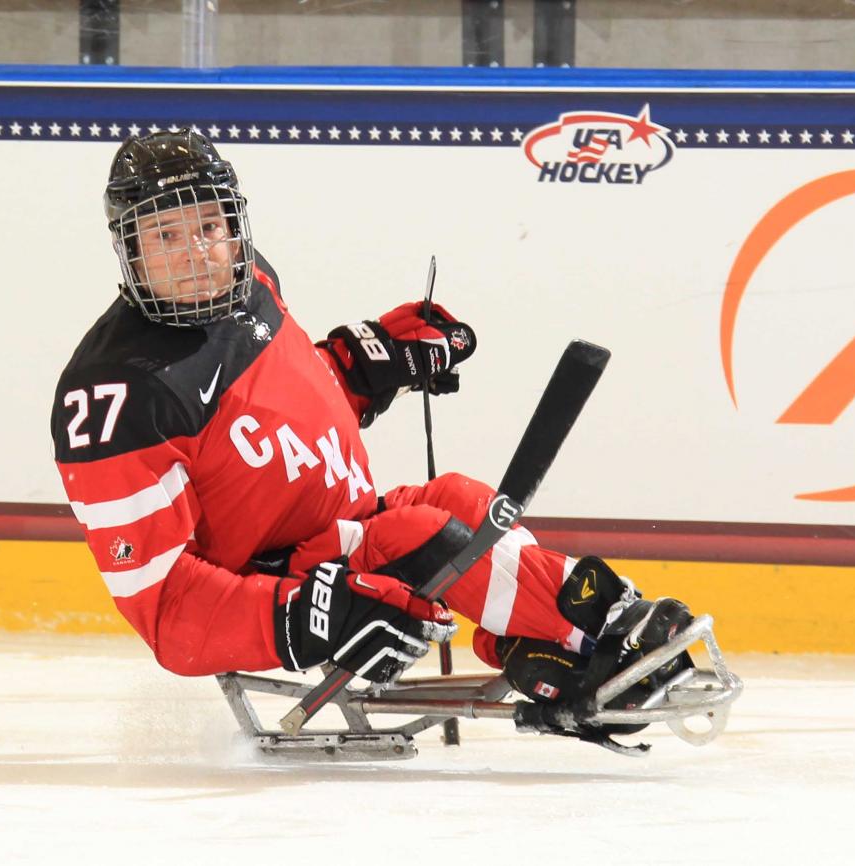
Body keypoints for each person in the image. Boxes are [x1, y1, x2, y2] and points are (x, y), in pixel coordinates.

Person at [51, 129, 692, 726]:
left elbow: (272, 417)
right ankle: (600, 658)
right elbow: (167, 609)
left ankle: (575, 634)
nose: (198, 254)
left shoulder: (251, 281)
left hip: (338, 525)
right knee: (423, 533)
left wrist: (368, 364)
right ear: (129, 247)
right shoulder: (116, 394)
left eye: (211, 226)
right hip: (276, 581)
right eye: (166, 236)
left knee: (463, 500)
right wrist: (304, 616)